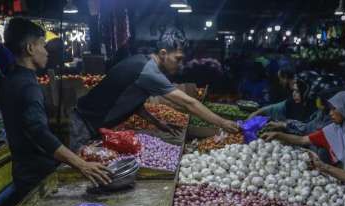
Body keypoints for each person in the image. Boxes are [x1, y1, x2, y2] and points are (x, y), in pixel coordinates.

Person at [72, 28, 238, 150]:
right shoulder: (149, 72)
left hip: (91, 122)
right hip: (83, 124)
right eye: (177, 59)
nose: (180, 64)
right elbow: (189, 103)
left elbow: (131, 100)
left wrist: (158, 122)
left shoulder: (141, 61)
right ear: (163, 53)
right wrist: (222, 123)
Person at [0, 18, 111, 196]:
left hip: (23, 172)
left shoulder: (11, 79)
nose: (46, 52)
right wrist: (81, 164)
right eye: (42, 45)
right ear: (30, 48)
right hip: (36, 177)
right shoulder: (28, 86)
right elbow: (38, 131)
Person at [261, 91, 345, 206]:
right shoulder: (331, 131)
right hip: (343, 193)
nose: (330, 113)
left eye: (334, 109)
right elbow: (303, 140)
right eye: (330, 109)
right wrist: (278, 135)